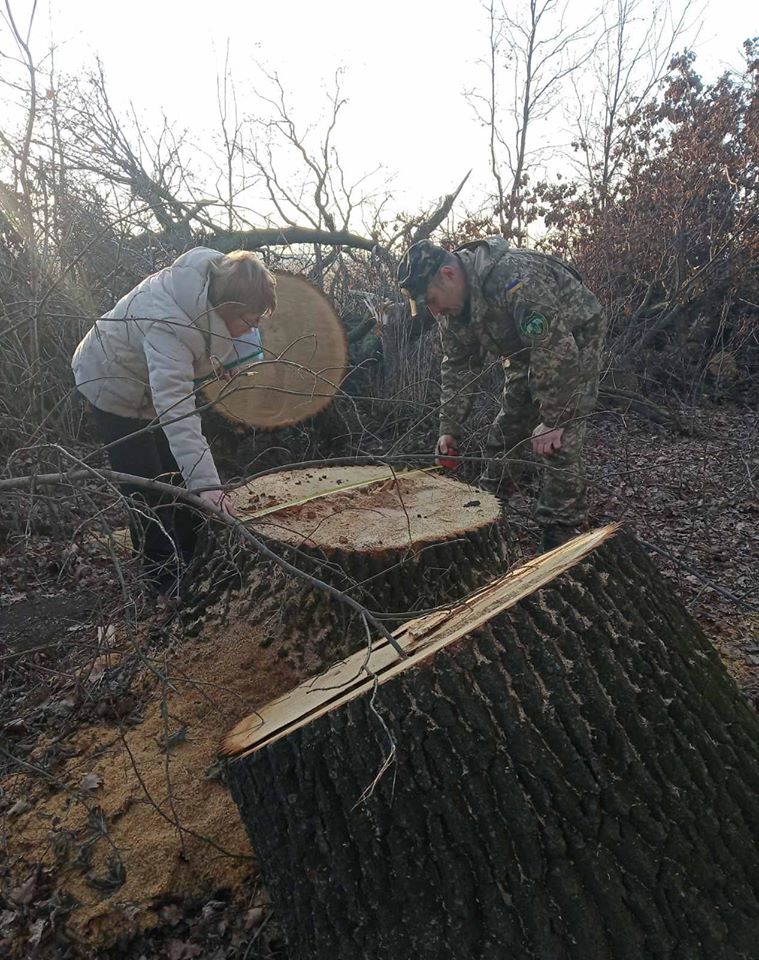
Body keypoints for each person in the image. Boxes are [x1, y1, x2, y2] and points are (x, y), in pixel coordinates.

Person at [72, 247, 277, 595]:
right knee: (147, 486)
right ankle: (164, 583)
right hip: (110, 384)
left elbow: (208, 344)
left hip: (149, 385)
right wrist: (209, 486)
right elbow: (177, 411)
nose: (250, 330)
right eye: (249, 321)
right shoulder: (170, 323)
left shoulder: (212, 287)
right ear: (229, 309)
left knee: (178, 477)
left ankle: (195, 560)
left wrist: (218, 365)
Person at [397, 237, 606, 553]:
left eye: (431, 299)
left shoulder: (511, 277)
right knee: (507, 431)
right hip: (525, 350)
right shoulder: (451, 313)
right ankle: (487, 513)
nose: (433, 310)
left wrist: (554, 418)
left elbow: (555, 347)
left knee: (558, 443)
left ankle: (559, 536)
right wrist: (449, 430)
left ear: (449, 275)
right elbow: (457, 367)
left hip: (575, 338)